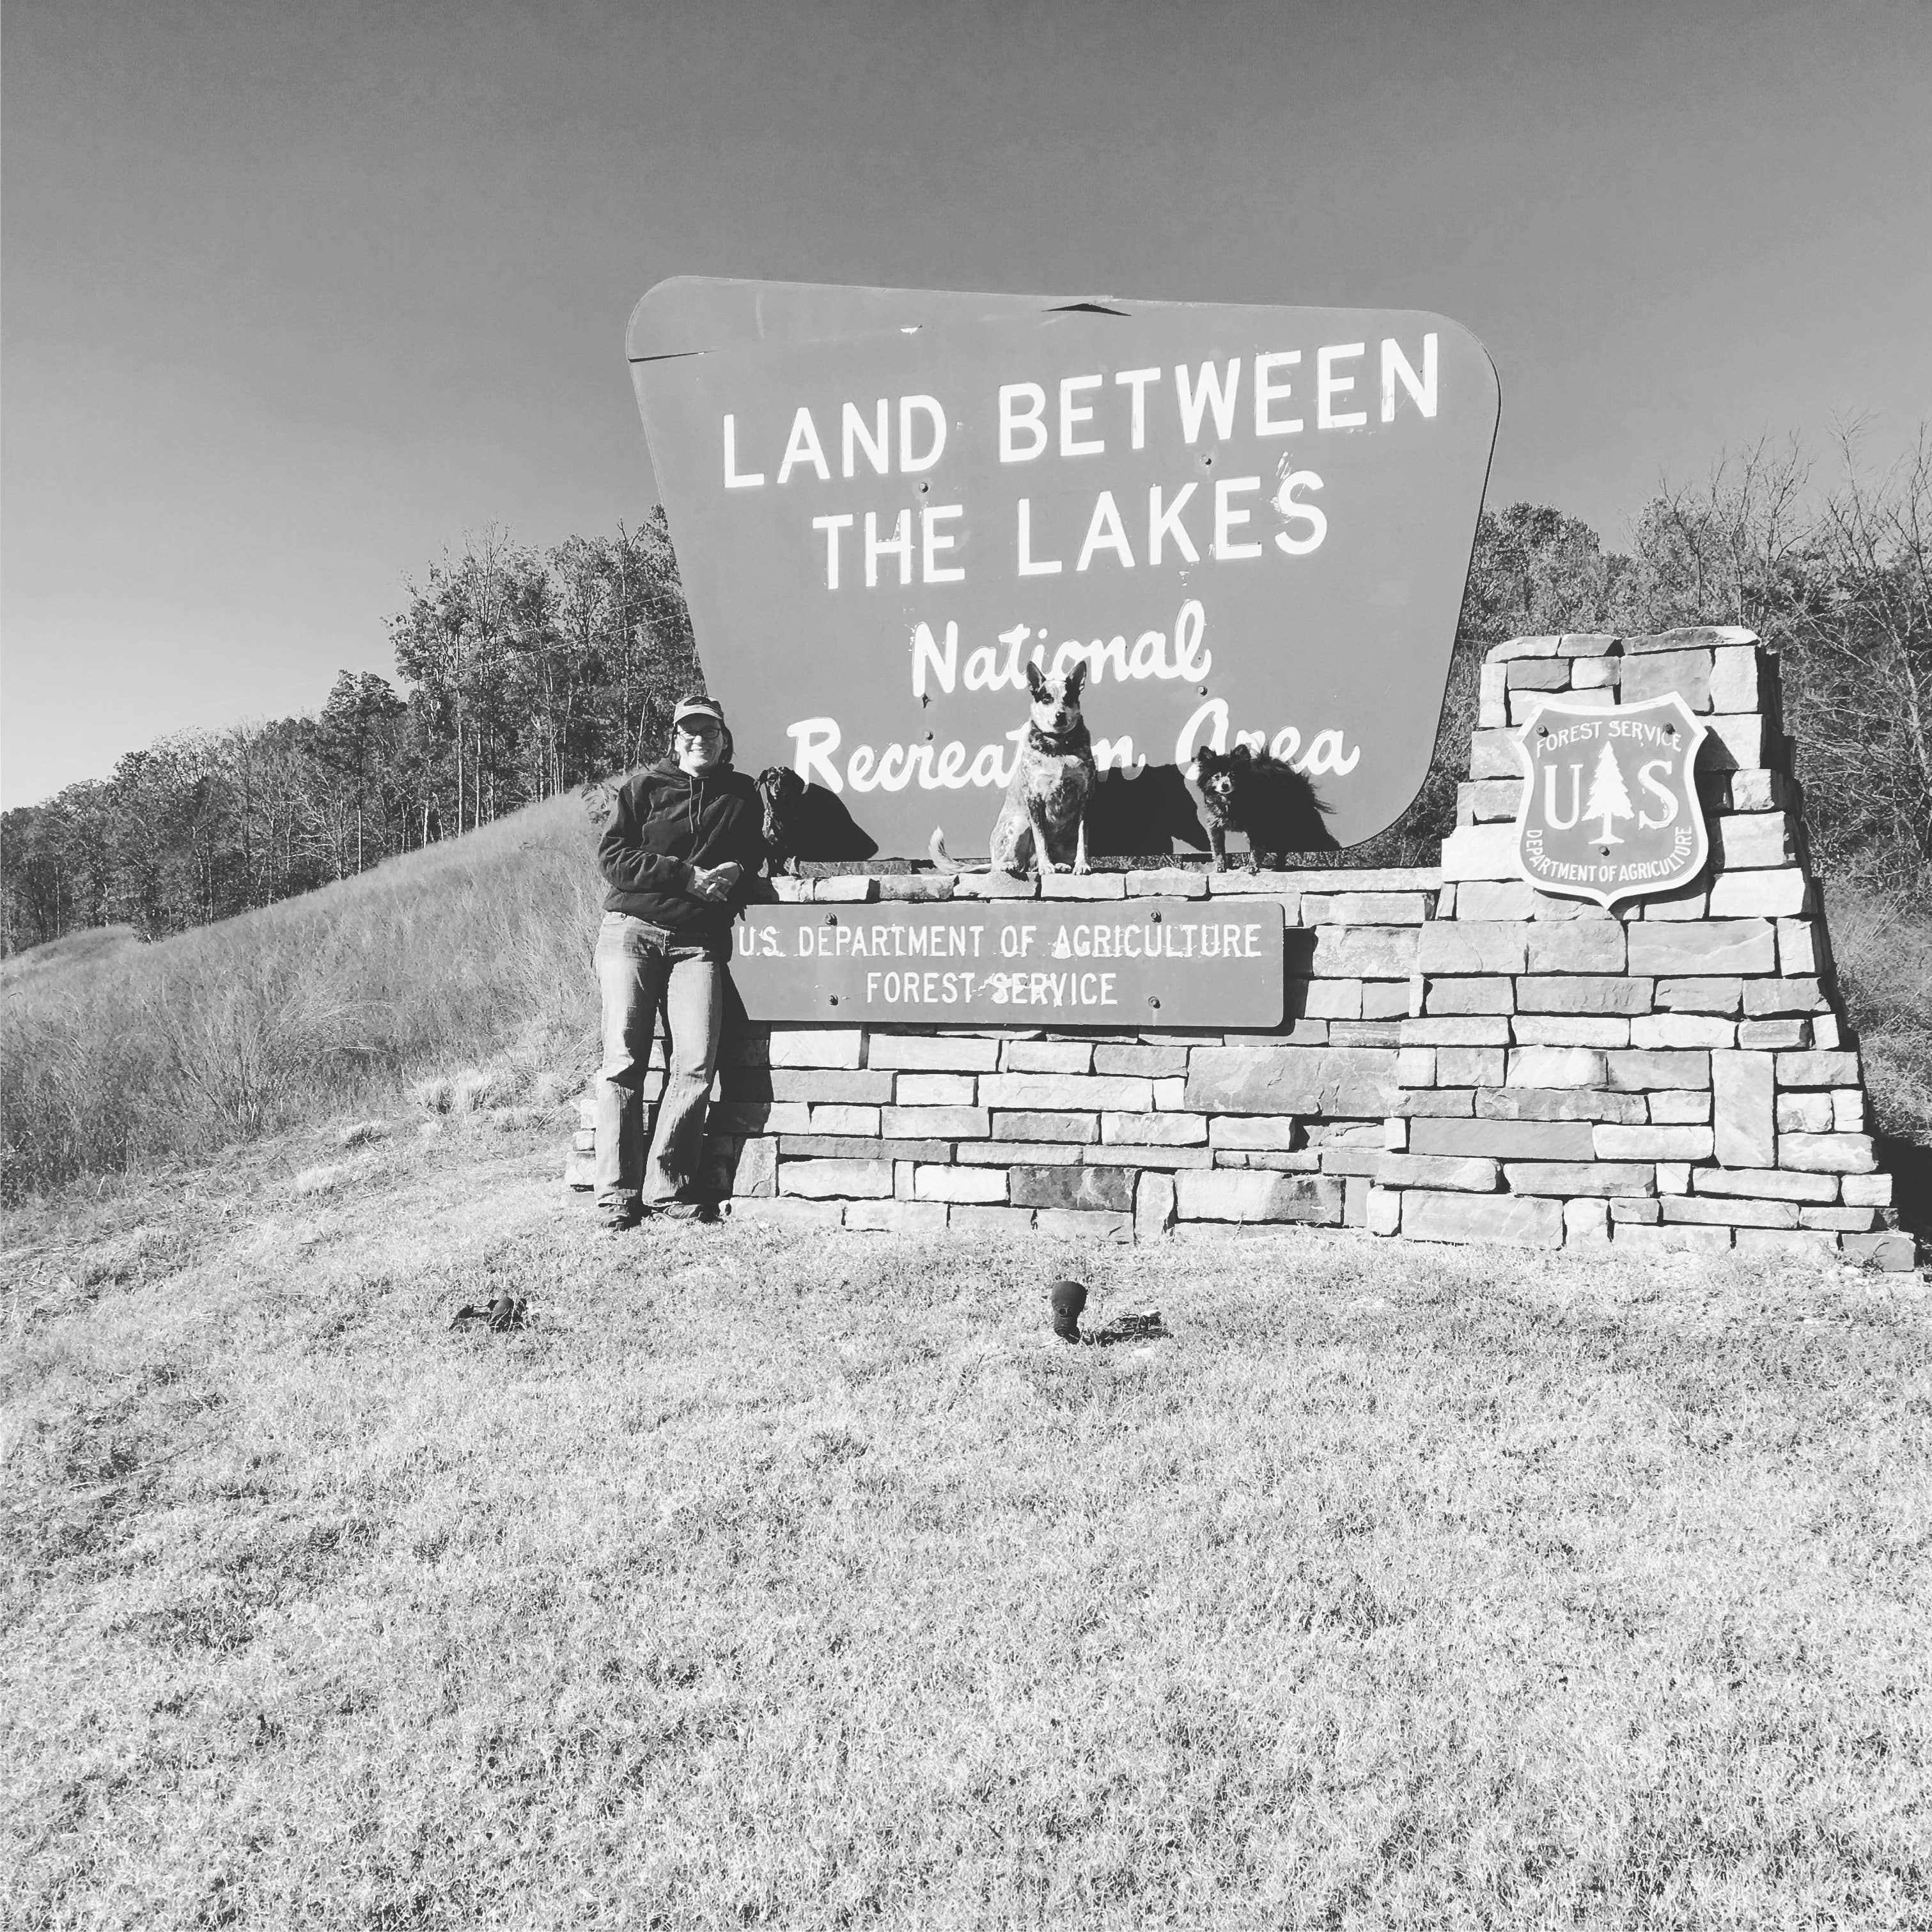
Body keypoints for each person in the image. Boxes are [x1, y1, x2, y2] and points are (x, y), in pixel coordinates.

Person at [592, 695, 766, 1228]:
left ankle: (668, 1189)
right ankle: (617, 1194)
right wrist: (683, 875)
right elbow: (613, 858)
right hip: (633, 934)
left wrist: (737, 867)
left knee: (694, 1063)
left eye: (709, 732)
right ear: (674, 736)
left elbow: (758, 847)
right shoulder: (644, 788)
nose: (699, 740)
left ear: (723, 738)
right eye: (689, 731)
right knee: (624, 1062)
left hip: (698, 943)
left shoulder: (741, 794)